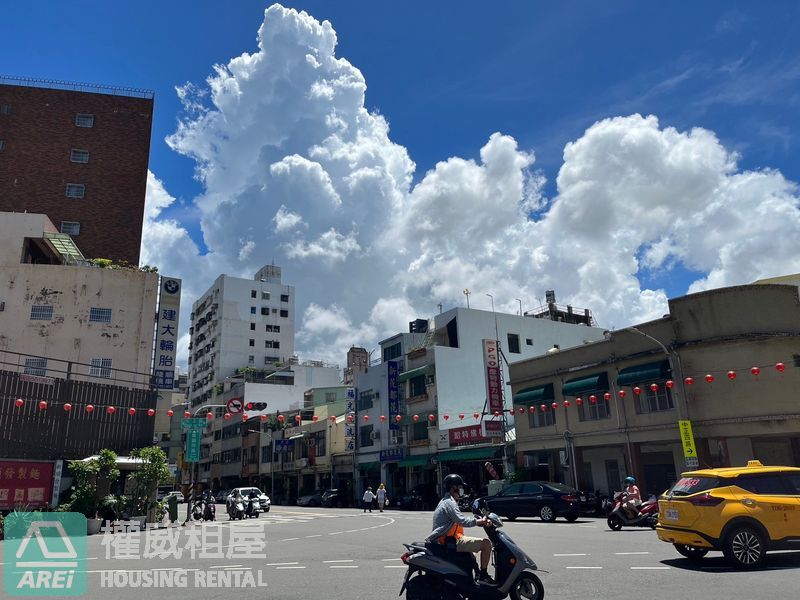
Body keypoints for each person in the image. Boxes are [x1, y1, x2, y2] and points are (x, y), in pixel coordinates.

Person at [426, 474, 495, 584]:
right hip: (449, 540)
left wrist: (477, 518)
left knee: (473, 554)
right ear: (453, 488)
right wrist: (478, 521)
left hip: (451, 538)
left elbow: (459, 518)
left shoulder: (446, 501)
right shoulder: (449, 503)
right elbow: (461, 521)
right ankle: (483, 576)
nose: (461, 490)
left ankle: (477, 574)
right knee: (486, 544)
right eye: (460, 487)